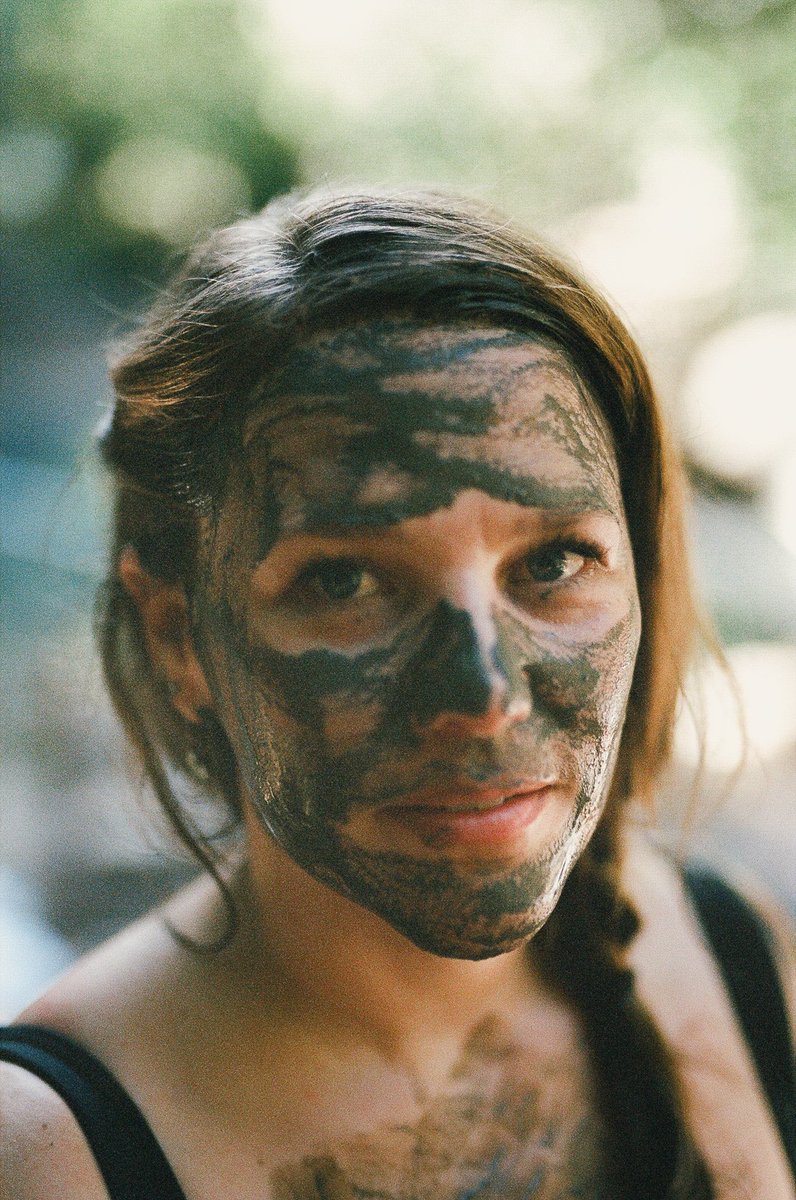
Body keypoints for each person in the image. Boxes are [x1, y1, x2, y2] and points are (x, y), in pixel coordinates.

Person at [1, 188, 794, 1199]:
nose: (484, 695)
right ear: (178, 638)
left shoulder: (734, 952)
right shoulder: (48, 1153)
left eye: (553, 561)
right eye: (344, 581)